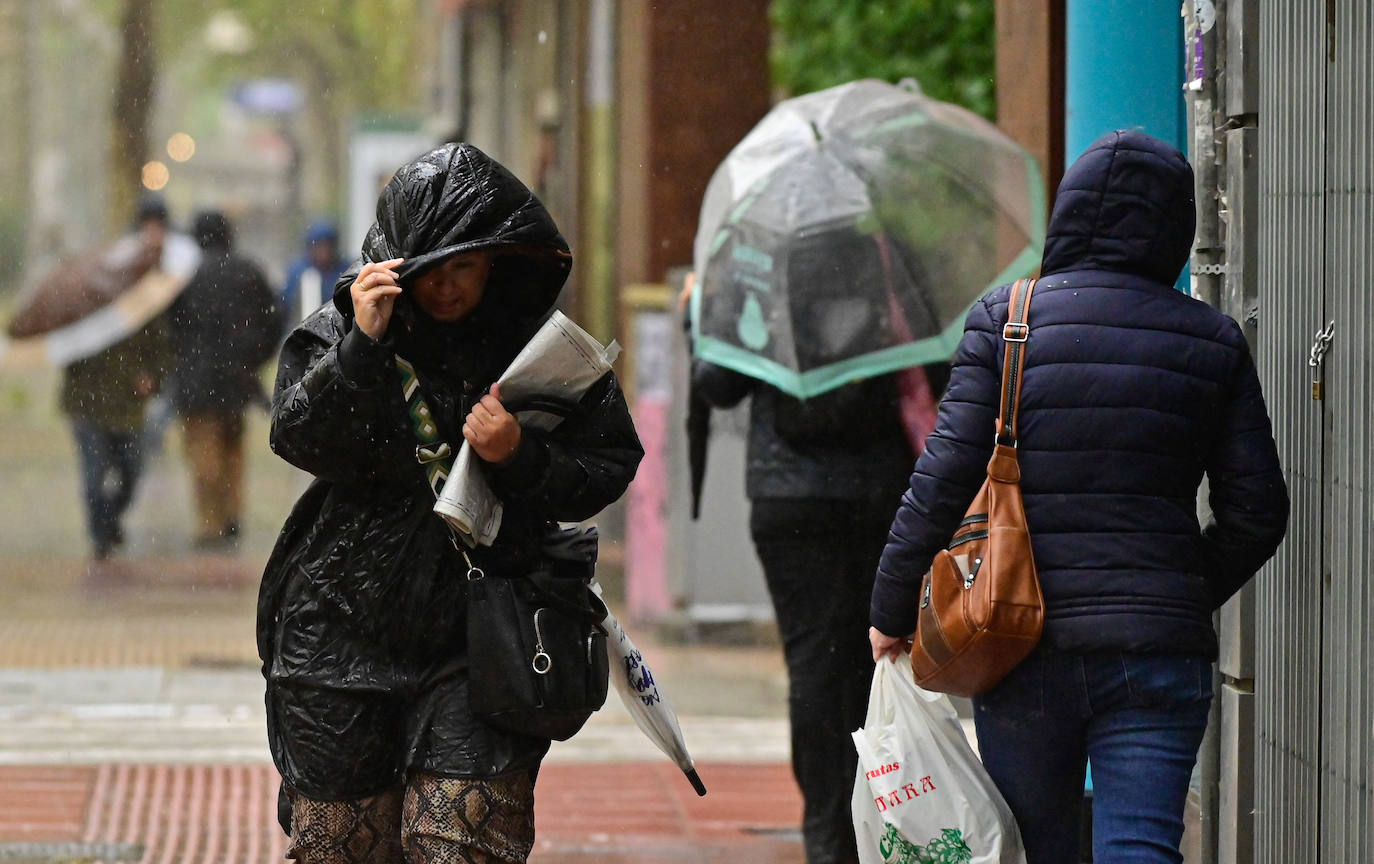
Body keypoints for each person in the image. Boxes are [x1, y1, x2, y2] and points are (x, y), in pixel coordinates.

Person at [869, 130, 1289, 863]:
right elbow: (1259, 511)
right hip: (1158, 647)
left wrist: (889, 607)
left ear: (1067, 214)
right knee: (1141, 846)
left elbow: (938, 481)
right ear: (1176, 230)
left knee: (1036, 847)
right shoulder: (1211, 340)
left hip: (1021, 639)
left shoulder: (1009, 321)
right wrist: (1179, 592)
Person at [258, 143, 642, 863]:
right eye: (429, 270)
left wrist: (520, 456)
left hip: (482, 633)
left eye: (463, 266)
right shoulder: (344, 330)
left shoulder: (536, 345)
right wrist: (360, 351)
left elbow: (610, 459)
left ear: (496, 259)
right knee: (339, 844)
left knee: (463, 842)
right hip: (339, 630)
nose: (445, 289)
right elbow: (299, 435)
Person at [689, 238, 947, 864]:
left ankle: (826, 833)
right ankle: (874, 818)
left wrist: (705, 311)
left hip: (790, 495)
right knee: (874, 657)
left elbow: (715, 383)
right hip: (876, 492)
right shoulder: (888, 259)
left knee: (811, 667)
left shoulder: (756, 265)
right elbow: (936, 370)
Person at [59, 197, 173, 560]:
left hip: (129, 402)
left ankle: (110, 521)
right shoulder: (81, 304)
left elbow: (160, 347)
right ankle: (100, 539)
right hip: (86, 402)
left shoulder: (145, 298)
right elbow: (68, 352)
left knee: (131, 473)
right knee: (94, 477)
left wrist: (152, 379)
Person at [166, 210, 283, 546]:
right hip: (238, 380)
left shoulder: (183, 276)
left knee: (203, 454)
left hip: (195, 383)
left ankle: (210, 523)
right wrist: (254, 357)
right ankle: (233, 513)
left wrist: (178, 362)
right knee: (233, 449)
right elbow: (275, 320)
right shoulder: (249, 271)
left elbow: (168, 329)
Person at [281, 218, 349, 328]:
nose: (323, 252)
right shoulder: (298, 271)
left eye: (327, 245)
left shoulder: (345, 269)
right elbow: (286, 305)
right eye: (319, 245)